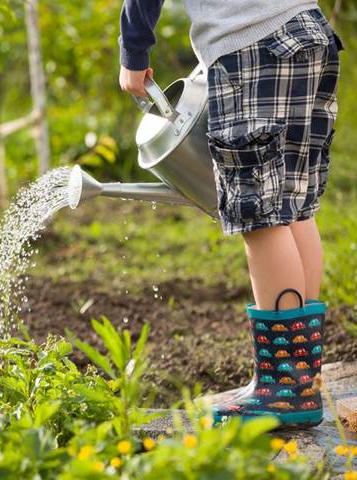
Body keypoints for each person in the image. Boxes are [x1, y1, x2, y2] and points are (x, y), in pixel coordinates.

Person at [119, 0, 342, 427]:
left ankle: (284, 390)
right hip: (310, 31)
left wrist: (133, 51)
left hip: (250, 41)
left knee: (261, 217)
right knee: (295, 207)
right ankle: (298, 380)